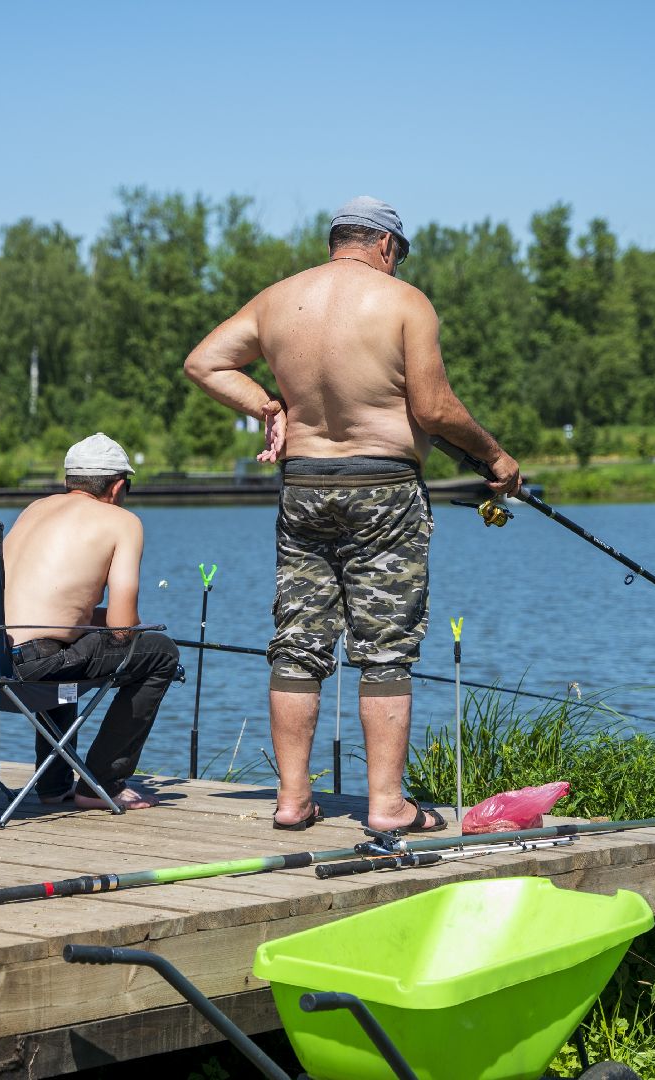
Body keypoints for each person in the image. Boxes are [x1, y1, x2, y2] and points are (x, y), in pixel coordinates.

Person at [183, 195, 521, 833]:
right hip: (384, 491)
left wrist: (267, 406)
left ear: (337, 240)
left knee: (299, 643)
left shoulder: (278, 299)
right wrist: (497, 458)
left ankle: (290, 800)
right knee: (386, 652)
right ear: (388, 247)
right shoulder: (404, 301)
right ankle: (388, 805)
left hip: (304, 485)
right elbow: (435, 408)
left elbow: (203, 362)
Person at [2, 432, 179, 810]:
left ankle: (53, 785)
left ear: (70, 481)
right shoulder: (122, 521)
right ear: (117, 486)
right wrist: (131, 627)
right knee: (160, 653)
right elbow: (120, 630)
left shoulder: (32, 509)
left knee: (68, 648)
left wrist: (90, 621)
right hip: (41, 665)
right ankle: (102, 782)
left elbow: (47, 609)